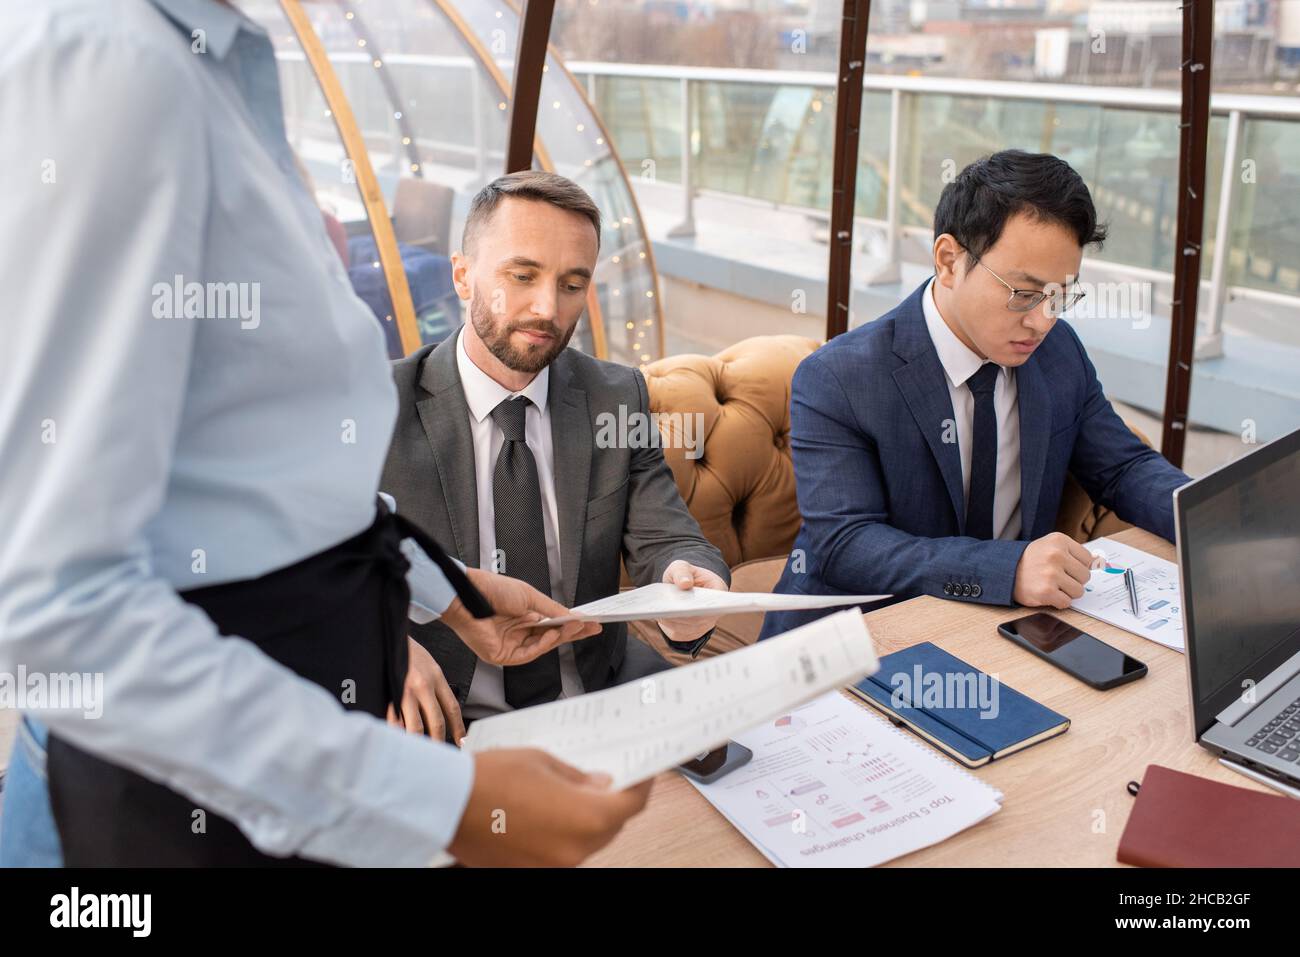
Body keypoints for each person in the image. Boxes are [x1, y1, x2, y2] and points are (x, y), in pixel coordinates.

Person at [0, 0, 649, 867]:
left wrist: (449, 592)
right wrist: (443, 801)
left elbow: (265, 481)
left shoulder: (212, 67)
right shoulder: (108, 64)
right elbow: (50, 603)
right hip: (167, 811)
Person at [759, 150, 1190, 640]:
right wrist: (1006, 570)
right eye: (1024, 294)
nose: (1043, 320)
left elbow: (1123, 468)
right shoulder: (840, 377)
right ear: (948, 261)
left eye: (1061, 295)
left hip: (1004, 631)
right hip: (854, 641)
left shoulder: (1058, 353)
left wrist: (1211, 525)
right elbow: (846, 543)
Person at [382, 171, 731, 737]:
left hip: (600, 697)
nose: (547, 307)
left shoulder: (615, 397)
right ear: (463, 275)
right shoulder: (376, 407)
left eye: (572, 284)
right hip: (442, 719)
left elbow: (668, 536)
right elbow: (305, 558)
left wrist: (687, 582)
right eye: (522, 276)